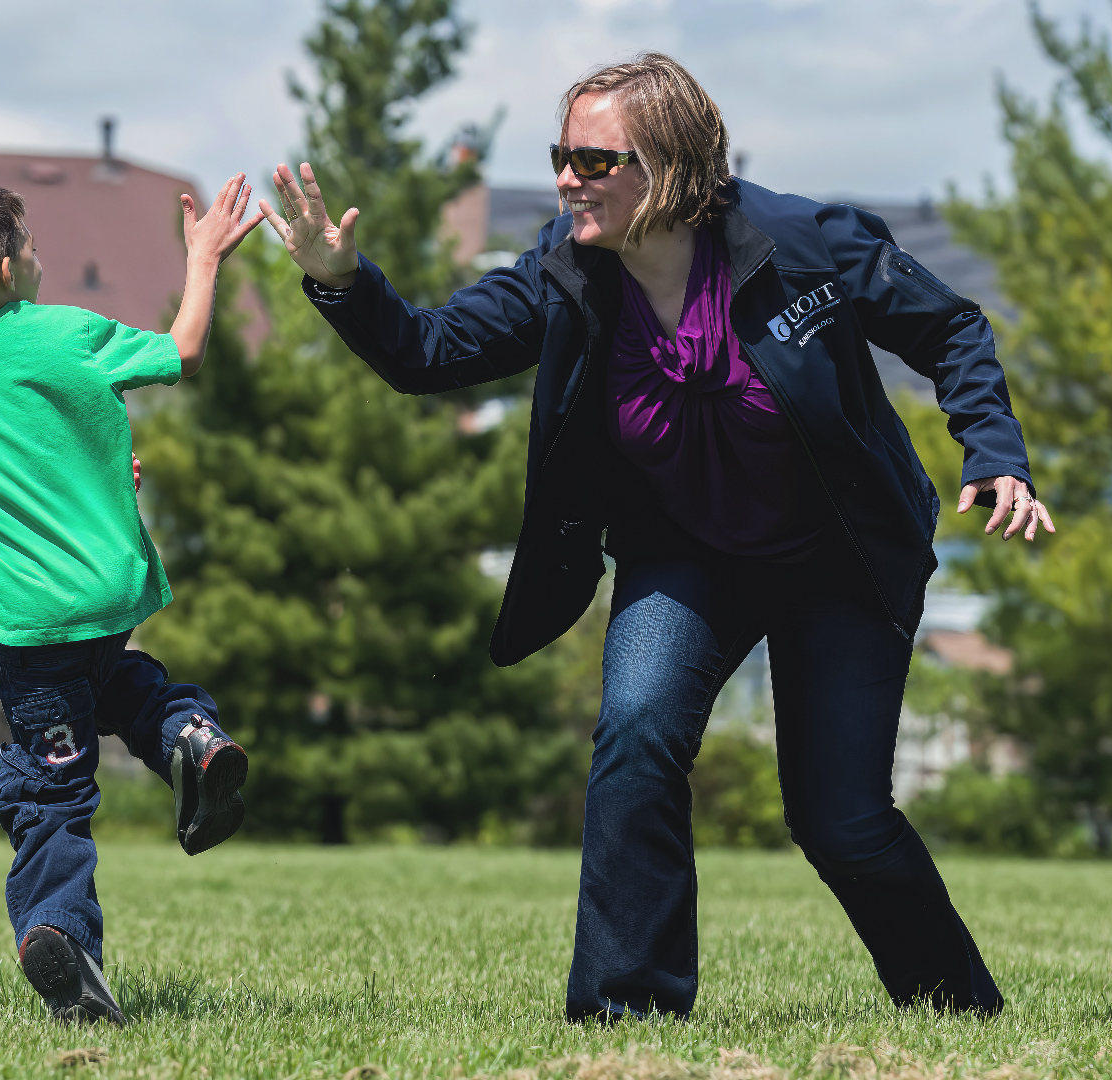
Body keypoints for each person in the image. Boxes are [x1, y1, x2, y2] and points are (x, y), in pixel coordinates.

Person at [262, 54, 1054, 1020]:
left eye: (594, 161)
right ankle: (627, 1011)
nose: (566, 179)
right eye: (561, 157)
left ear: (672, 168)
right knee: (636, 736)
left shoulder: (806, 243)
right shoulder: (563, 274)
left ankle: (955, 1008)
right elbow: (431, 353)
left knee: (839, 819)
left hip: (837, 559)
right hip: (686, 559)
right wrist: (342, 282)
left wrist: (994, 455)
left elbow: (953, 329)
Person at [0, 177, 265, 1024]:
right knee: (119, 684)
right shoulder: (66, 332)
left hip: (30, 624)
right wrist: (202, 259)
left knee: (50, 792)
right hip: (107, 594)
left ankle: (58, 934)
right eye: (27, 244)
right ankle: (188, 736)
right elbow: (185, 350)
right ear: (5, 265)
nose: (36, 256)